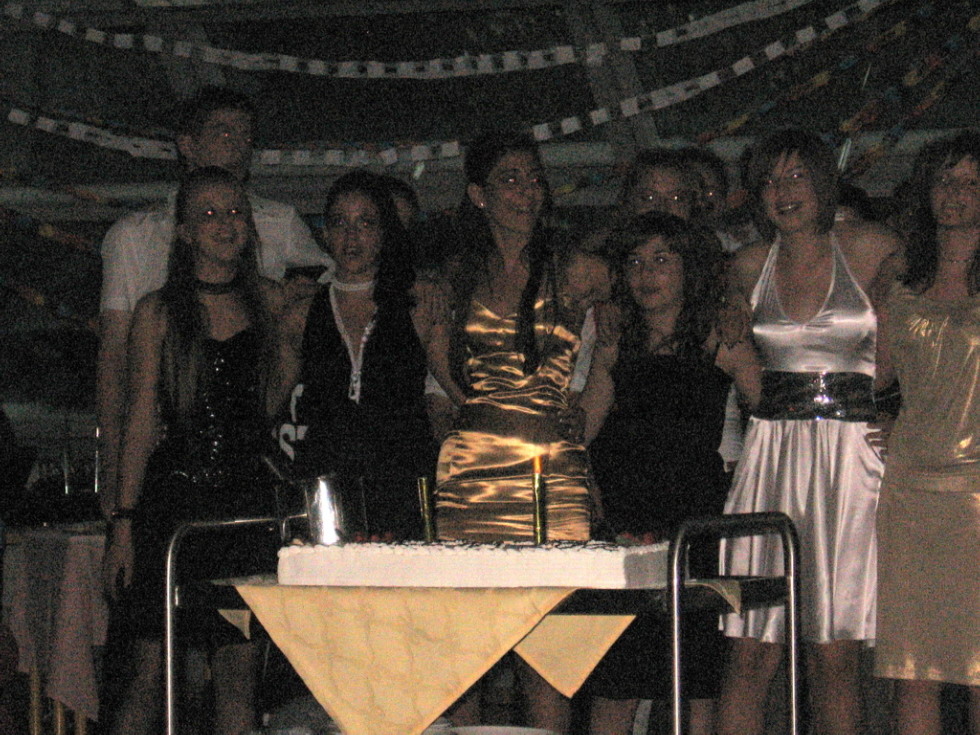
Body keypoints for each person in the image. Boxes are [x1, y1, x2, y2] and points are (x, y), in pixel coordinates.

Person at [717, 128, 902, 735]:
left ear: (824, 182)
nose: (783, 191)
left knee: (834, 654)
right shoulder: (748, 264)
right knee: (748, 649)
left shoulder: (872, 247)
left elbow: (922, 344)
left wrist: (903, 420)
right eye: (770, 181)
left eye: (796, 176)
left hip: (850, 464)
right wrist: (732, 325)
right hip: (771, 458)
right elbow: (744, 372)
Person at [429, 131, 609, 732]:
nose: (527, 191)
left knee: (549, 657)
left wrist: (583, 409)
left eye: (535, 178)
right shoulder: (458, 275)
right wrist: (482, 410)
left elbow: (627, 334)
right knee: (465, 656)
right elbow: (436, 357)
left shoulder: (576, 268)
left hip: (550, 471)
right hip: (472, 476)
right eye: (510, 179)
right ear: (478, 194)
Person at [101, 167, 284, 735]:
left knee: (237, 678)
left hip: (245, 508)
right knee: (147, 675)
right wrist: (123, 522)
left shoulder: (272, 303)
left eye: (235, 212)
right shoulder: (157, 311)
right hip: (173, 506)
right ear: (183, 232)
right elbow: (139, 419)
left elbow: (273, 404)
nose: (225, 225)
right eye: (208, 214)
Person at [96, 86, 329, 519]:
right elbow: (115, 362)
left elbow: (328, 301)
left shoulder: (279, 223)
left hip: (257, 465)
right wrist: (113, 472)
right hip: (171, 465)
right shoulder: (134, 236)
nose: (239, 146)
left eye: (247, 136)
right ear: (187, 144)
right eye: (225, 133)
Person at [579, 212, 761, 735]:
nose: (647, 273)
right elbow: (586, 423)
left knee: (694, 679)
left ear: (688, 268)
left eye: (662, 259)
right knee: (616, 679)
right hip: (625, 520)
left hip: (692, 519)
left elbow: (769, 412)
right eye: (635, 262)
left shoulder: (720, 336)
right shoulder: (617, 339)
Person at [874, 130, 980, 735]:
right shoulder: (901, 277)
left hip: (978, 494)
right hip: (911, 489)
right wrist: (876, 419)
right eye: (945, 180)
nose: (955, 193)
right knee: (913, 665)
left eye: (970, 182)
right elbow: (873, 373)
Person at [278, 170, 441, 540]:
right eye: (339, 223)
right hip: (326, 488)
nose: (351, 237)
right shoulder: (301, 314)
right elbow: (266, 404)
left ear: (384, 233)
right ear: (324, 234)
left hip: (401, 485)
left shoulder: (418, 304)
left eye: (365, 223)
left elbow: (456, 386)